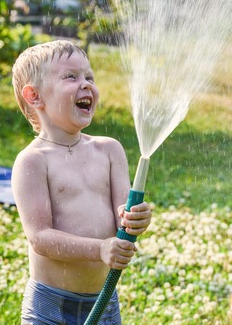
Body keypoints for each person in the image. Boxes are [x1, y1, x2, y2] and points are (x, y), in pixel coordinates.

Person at [11, 39, 152, 325]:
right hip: (49, 306)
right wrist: (99, 249)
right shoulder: (33, 161)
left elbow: (123, 216)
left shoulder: (109, 150)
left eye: (89, 77)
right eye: (71, 77)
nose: (86, 84)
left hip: (104, 300)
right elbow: (40, 237)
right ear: (34, 96)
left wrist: (136, 218)